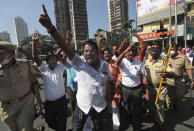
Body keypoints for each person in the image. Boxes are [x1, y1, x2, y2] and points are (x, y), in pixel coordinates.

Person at [38, 5, 113, 131]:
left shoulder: (104, 65)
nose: (89, 53)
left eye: (92, 50)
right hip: (82, 107)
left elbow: (110, 80)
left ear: (97, 51)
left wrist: (112, 93)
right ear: (83, 53)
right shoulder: (79, 62)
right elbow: (65, 47)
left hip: (100, 107)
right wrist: (51, 29)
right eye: (86, 51)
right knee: (77, 128)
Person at [32, 33, 67, 131]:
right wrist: (34, 42)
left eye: (55, 59)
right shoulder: (44, 69)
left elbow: (65, 55)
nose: (55, 61)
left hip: (61, 102)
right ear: (47, 62)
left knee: (62, 123)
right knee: (50, 122)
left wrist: (67, 42)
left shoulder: (60, 68)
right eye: (52, 59)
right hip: (50, 104)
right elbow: (35, 56)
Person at [0, 41, 38, 131]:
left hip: (25, 102)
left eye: (1, 53)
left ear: (11, 53)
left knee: (25, 129)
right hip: (6, 107)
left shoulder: (24, 65)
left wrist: (38, 100)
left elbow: (34, 80)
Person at [117, 43, 149, 131]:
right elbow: (117, 62)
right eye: (129, 51)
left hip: (137, 91)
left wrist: (146, 92)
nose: (130, 53)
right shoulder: (122, 62)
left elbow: (144, 79)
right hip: (125, 90)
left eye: (132, 51)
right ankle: (125, 126)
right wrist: (124, 51)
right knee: (125, 110)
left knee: (136, 111)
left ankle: (137, 127)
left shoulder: (139, 63)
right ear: (125, 52)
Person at [144, 43, 177, 131]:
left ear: (160, 51)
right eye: (152, 50)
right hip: (149, 88)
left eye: (156, 51)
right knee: (151, 105)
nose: (154, 52)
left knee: (159, 107)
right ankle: (154, 117)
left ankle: (161, 123)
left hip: (160, 88)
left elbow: (172, 72)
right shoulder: (147, 61)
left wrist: (167, 73)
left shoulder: (164, 61)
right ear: (150, 51)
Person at [166, 44, 194, 112]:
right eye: (170, 49)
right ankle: (170, 107)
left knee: (180, 94)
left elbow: (188, 68)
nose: (171, 51)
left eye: (173, 49)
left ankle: (175, 102)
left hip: (179, 80)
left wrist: (191, 79)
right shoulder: (166, 58)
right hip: (168, 80)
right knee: (169, 95)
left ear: (177, 49)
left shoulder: (183, 57)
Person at [103, 48, 121, 131]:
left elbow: (121, 73)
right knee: (106, 109)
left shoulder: (115, 63)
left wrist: (119, 80)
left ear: (111, 54)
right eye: (105, 53)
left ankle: (116, 127)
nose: (106, 54)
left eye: (108, 53)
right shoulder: (101, 64)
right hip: (104, 90)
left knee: (114, 107)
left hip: (115, 89)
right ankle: (107, 125)